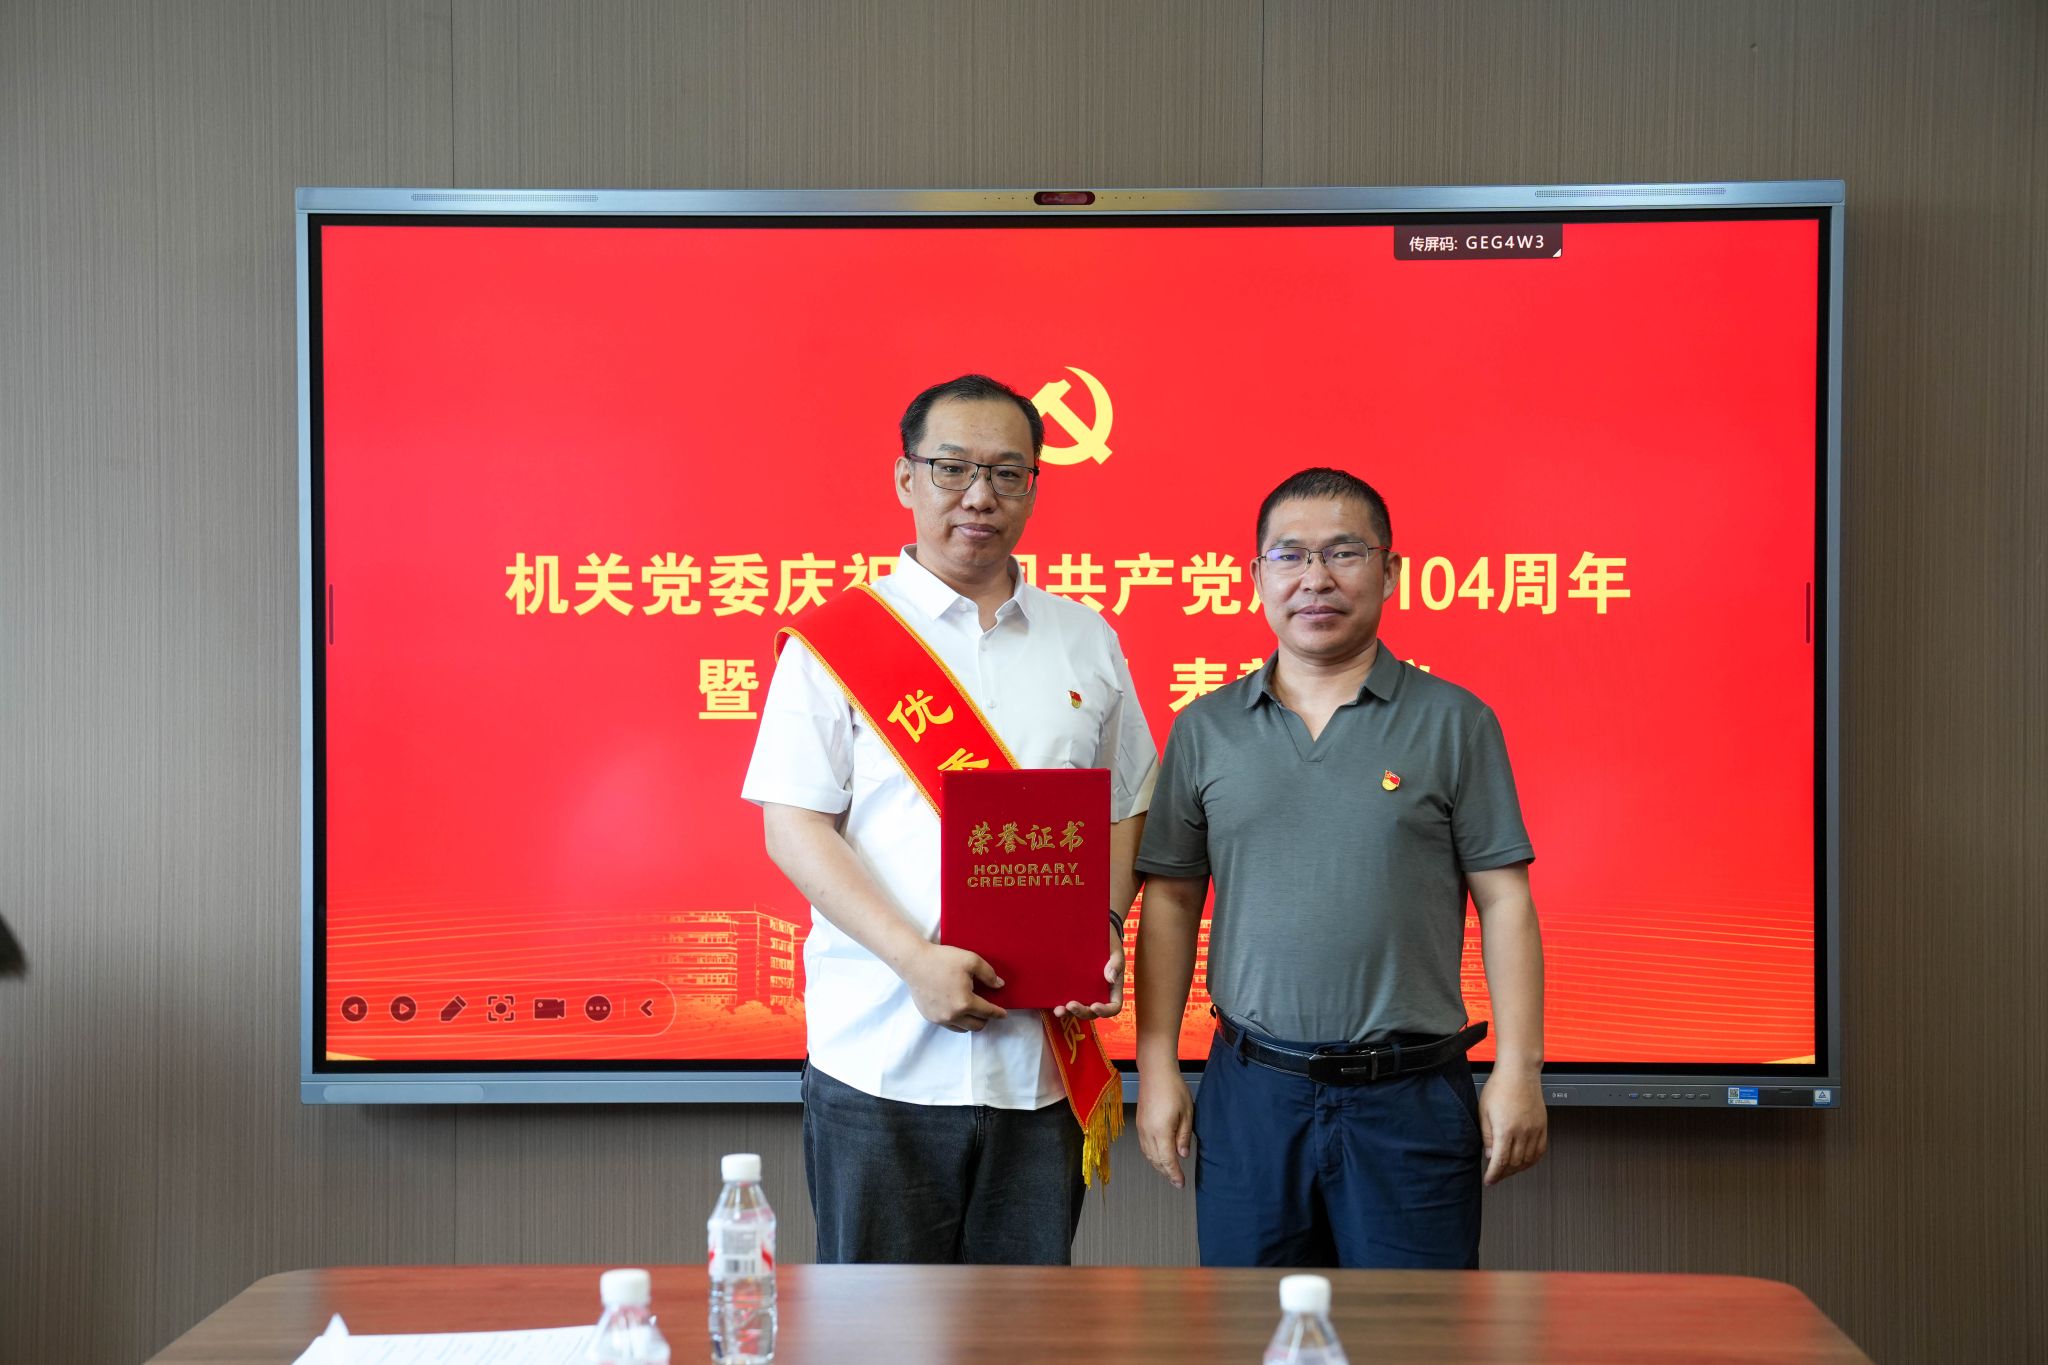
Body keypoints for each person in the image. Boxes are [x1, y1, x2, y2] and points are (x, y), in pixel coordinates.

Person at [742, 374, 1156, 1265]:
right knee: (876, 1327)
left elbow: (1126, 804)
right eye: (953, 468)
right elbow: (794, 826)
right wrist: (913, 958)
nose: (979, 495)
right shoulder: (836, 641)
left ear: (1034, 487)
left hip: (1038, 1065)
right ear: (906, 478)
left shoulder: (1086, 638)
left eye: (1007, 473)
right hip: (879, 1055)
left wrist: (1104, 921)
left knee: (1026, 1326)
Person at [1131, 466, 1546, 1269]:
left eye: (1343, 553)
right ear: (1256, 577)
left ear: (1389, 572)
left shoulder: (1455, 722)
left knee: (1413, 1328)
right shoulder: (1206, 728)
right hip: (1253, 1093)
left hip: (1411, 1096)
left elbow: (1505, 901)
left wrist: (1518, 1069)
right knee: (1248, 1325)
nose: (1315, 578)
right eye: (1289, 555)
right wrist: (1157, 1071)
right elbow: (1172, 903)